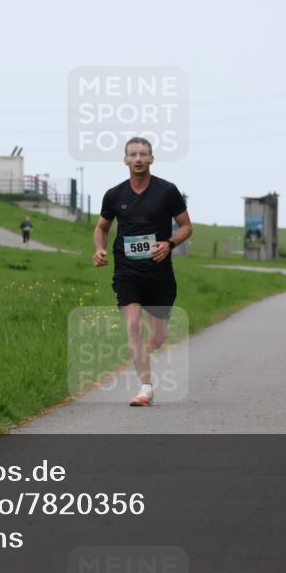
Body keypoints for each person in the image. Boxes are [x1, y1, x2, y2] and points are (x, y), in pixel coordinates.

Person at [93, 137, 192, 406]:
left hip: (159, 272)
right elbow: (102, 228)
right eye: (133, 154)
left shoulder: (167, 191)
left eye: (143, 154)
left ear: (151, 159)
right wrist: (100, 249)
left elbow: (186, 226)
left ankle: (145, 351)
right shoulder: (114, 195)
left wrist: (169, 244)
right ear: (125, 160)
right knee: (133, 324)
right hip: (127, 271)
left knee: (157, 338)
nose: (138, 159)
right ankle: (145, 387)